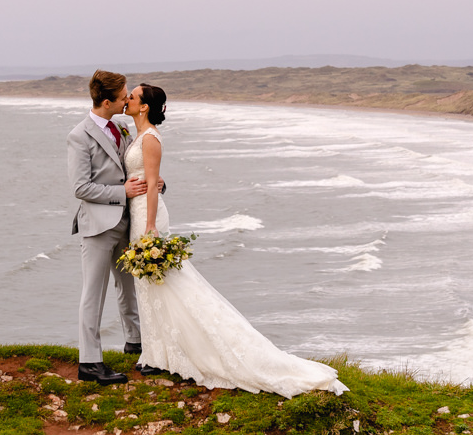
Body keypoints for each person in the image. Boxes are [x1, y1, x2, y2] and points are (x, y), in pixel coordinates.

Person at [121, 82, 347, 398]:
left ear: (144, 106)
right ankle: (157, 354)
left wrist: (149, 227)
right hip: (139, 209)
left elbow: (154, 183)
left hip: (149, 217)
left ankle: (169, 354)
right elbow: (147, 177)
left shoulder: (151, 139)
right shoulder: (138, 136)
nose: (126, 99)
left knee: (166, 282)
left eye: (131, 96)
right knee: (151, 285)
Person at [67, 70, 149, 384]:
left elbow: (130, 167)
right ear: (106, 102)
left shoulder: (122, 128)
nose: (128, 99)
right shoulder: (79, 135)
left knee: (128, 288)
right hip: (98, 227)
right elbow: (80, 188)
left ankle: (135, 342)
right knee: (93, 294)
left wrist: (152, 184)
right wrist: (121, 193)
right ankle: (89, 362)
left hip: (126, 223)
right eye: (124, 96)